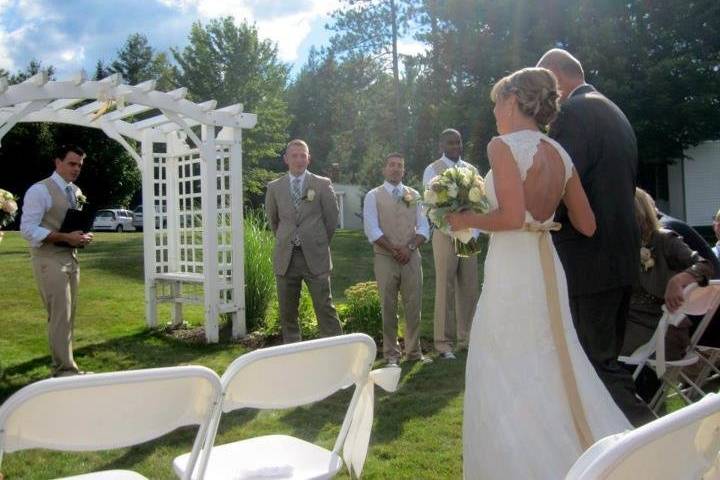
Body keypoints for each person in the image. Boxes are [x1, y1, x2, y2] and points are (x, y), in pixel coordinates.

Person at [448, 67, 631, 479]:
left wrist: (466, 220)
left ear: (513, 101)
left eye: (497, 102)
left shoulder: (501, 147)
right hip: (546, 264)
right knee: (551, 358)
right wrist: (544, 218)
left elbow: (511, 217)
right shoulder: (560, 153)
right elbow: (587, 224)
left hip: (514, 267)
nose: (495, 111)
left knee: (504, 363)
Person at [538, 48, 653, 426]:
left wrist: (530, 220)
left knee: (595, 365)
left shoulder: (575, 112)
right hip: (618, 258)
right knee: (603, 362)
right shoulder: (614, 112)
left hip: (589, 262)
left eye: (545, 85)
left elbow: (560, 181)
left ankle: (656, 441)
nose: (545, 99)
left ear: (557, 76)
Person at [623, 189, 714, 402]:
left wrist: (678, 280)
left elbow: (705, 265)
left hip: (660, 329)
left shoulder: (664, 239)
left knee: (598, 347)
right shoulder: (623, 244)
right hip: (633, 323)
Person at [20, 144, 93, 377]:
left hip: (71, 257)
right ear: (57, 162)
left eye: (79, 165)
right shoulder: (39, 191)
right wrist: (65, 237)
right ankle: (64, 371)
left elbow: (71, 223)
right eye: (72, 163)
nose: (76, 169)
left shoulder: (75, 191)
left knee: (69, 314)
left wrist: (82, 237)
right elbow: (28, 230)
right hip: (47, 258)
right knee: (60, 314)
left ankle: (66, 364)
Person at [265, 139, 343, 343]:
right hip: (286, 257)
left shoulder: (322, 184)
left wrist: (318, 241)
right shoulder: (274, 187)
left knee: (324, 307)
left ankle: (335, 351)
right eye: (294, 155)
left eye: (303, 155)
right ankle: (294, 356)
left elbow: (331, 219)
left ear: (309, 158)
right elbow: (274, 221)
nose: (299, 159)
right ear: (286, 159)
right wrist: (287, 239)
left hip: (315, 256)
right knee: (287, 312)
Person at [363, 153, 431, 366]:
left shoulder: (414, 195)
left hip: (411, 257)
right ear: (384, 169)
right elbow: (372, 229)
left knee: (414, 306)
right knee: (388, 306)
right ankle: (391, 354)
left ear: (404, 170)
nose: (395, 169)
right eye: (392, 165)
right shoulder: (373, 196)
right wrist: (394, 250)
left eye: (400, 166)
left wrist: (409, 248)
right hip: (385, 257)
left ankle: (413, 352)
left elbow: (424, 227)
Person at [422, 129, 480, 359]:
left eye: (458, 142)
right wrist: (451, 228)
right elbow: (430, 205)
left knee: (470, 287)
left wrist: (473, 231)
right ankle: (443, 344)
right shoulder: (432, 169)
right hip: (445, 234)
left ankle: (468, 339)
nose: (456, 146)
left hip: (469, 235)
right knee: (445, 287)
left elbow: (479, 203)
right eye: (450, 142)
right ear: (441, 145)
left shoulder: (471, 170)